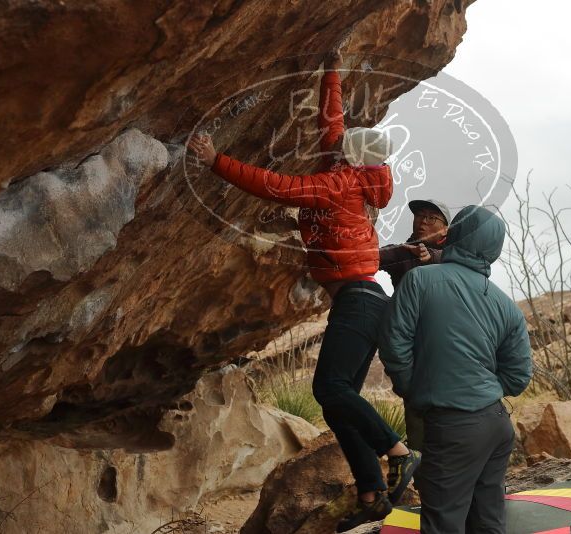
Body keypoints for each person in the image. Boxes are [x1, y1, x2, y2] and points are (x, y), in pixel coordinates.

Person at [188, 48, 420, 532]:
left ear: (350, 157)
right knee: (338, 405)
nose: (337, 141)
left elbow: (275, 185)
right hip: (363, 299)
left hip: (358, 300)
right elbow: (331, 122)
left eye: (344, 144)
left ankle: (397, 451)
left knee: (328, 389)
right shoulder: (354, 171)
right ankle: (371, 490)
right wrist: (330, 70)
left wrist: (215, 161)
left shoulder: (335, 183)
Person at [379, 205, 533, 534]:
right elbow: (518, 377)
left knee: (443, 523)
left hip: (451, 427)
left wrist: (413, 387)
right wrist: (483, 389)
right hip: (496, 426)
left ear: (455, 234)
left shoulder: (420, 280)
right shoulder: (506, 305)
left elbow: (394, 344)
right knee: (488, 521)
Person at [379, 198, 450, 451]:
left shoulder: (455, 255)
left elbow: (456, 265)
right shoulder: (403, 251)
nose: (423, 221)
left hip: (447, 348)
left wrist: (430, 258)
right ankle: (421, 473)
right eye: (419, 215)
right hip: (413, 348)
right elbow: (373, 257)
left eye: (431, 218)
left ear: (445, 229)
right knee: (418, 413)